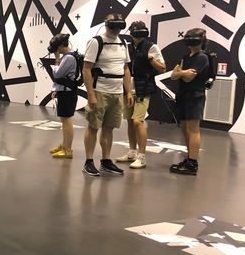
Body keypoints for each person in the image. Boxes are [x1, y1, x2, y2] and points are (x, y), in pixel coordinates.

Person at [82, 13, 134, 177]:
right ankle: (89, 161)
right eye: (114, 25)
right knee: (93, 126)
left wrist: (129, 91)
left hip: (117, 92)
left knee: (109, 128)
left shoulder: (122, 43)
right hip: (100, 90)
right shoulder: (97, 42)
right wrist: (91, 94)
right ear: (107, 25)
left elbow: (125, 68)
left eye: (120, 25)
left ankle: (106, 161)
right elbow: (86, 68)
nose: (117, 29)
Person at [116, 21, 166, 169]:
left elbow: (163, 68)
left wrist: (151, 59)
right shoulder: (128, 47)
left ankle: (142, 156)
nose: (138, 35)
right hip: (128, 89)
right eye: (135, 31)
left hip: (144, 89)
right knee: (130, 121)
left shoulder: (152, 47)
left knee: (138, 121)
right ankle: (132, 152)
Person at [169, 28, 211, 176]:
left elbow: (189, 77)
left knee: (193, 129)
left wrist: (181, 73)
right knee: (185, 128)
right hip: (183, 95)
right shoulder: (186, 56)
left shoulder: (202, 58)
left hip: (195, 96)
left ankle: (193, 162)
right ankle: (188, 158)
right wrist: (182, 73)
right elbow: (174, 75)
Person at [48, 34, 79, 159]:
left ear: (61, 45)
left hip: (68, 92)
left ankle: (68, 149)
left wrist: (56, 61)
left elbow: (58, 74)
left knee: (67, 121)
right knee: (64, 120)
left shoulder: (69, 58)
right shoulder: (68, 57)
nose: (56, 50)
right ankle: (64, 145)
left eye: (56, 47)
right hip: (64, 90)